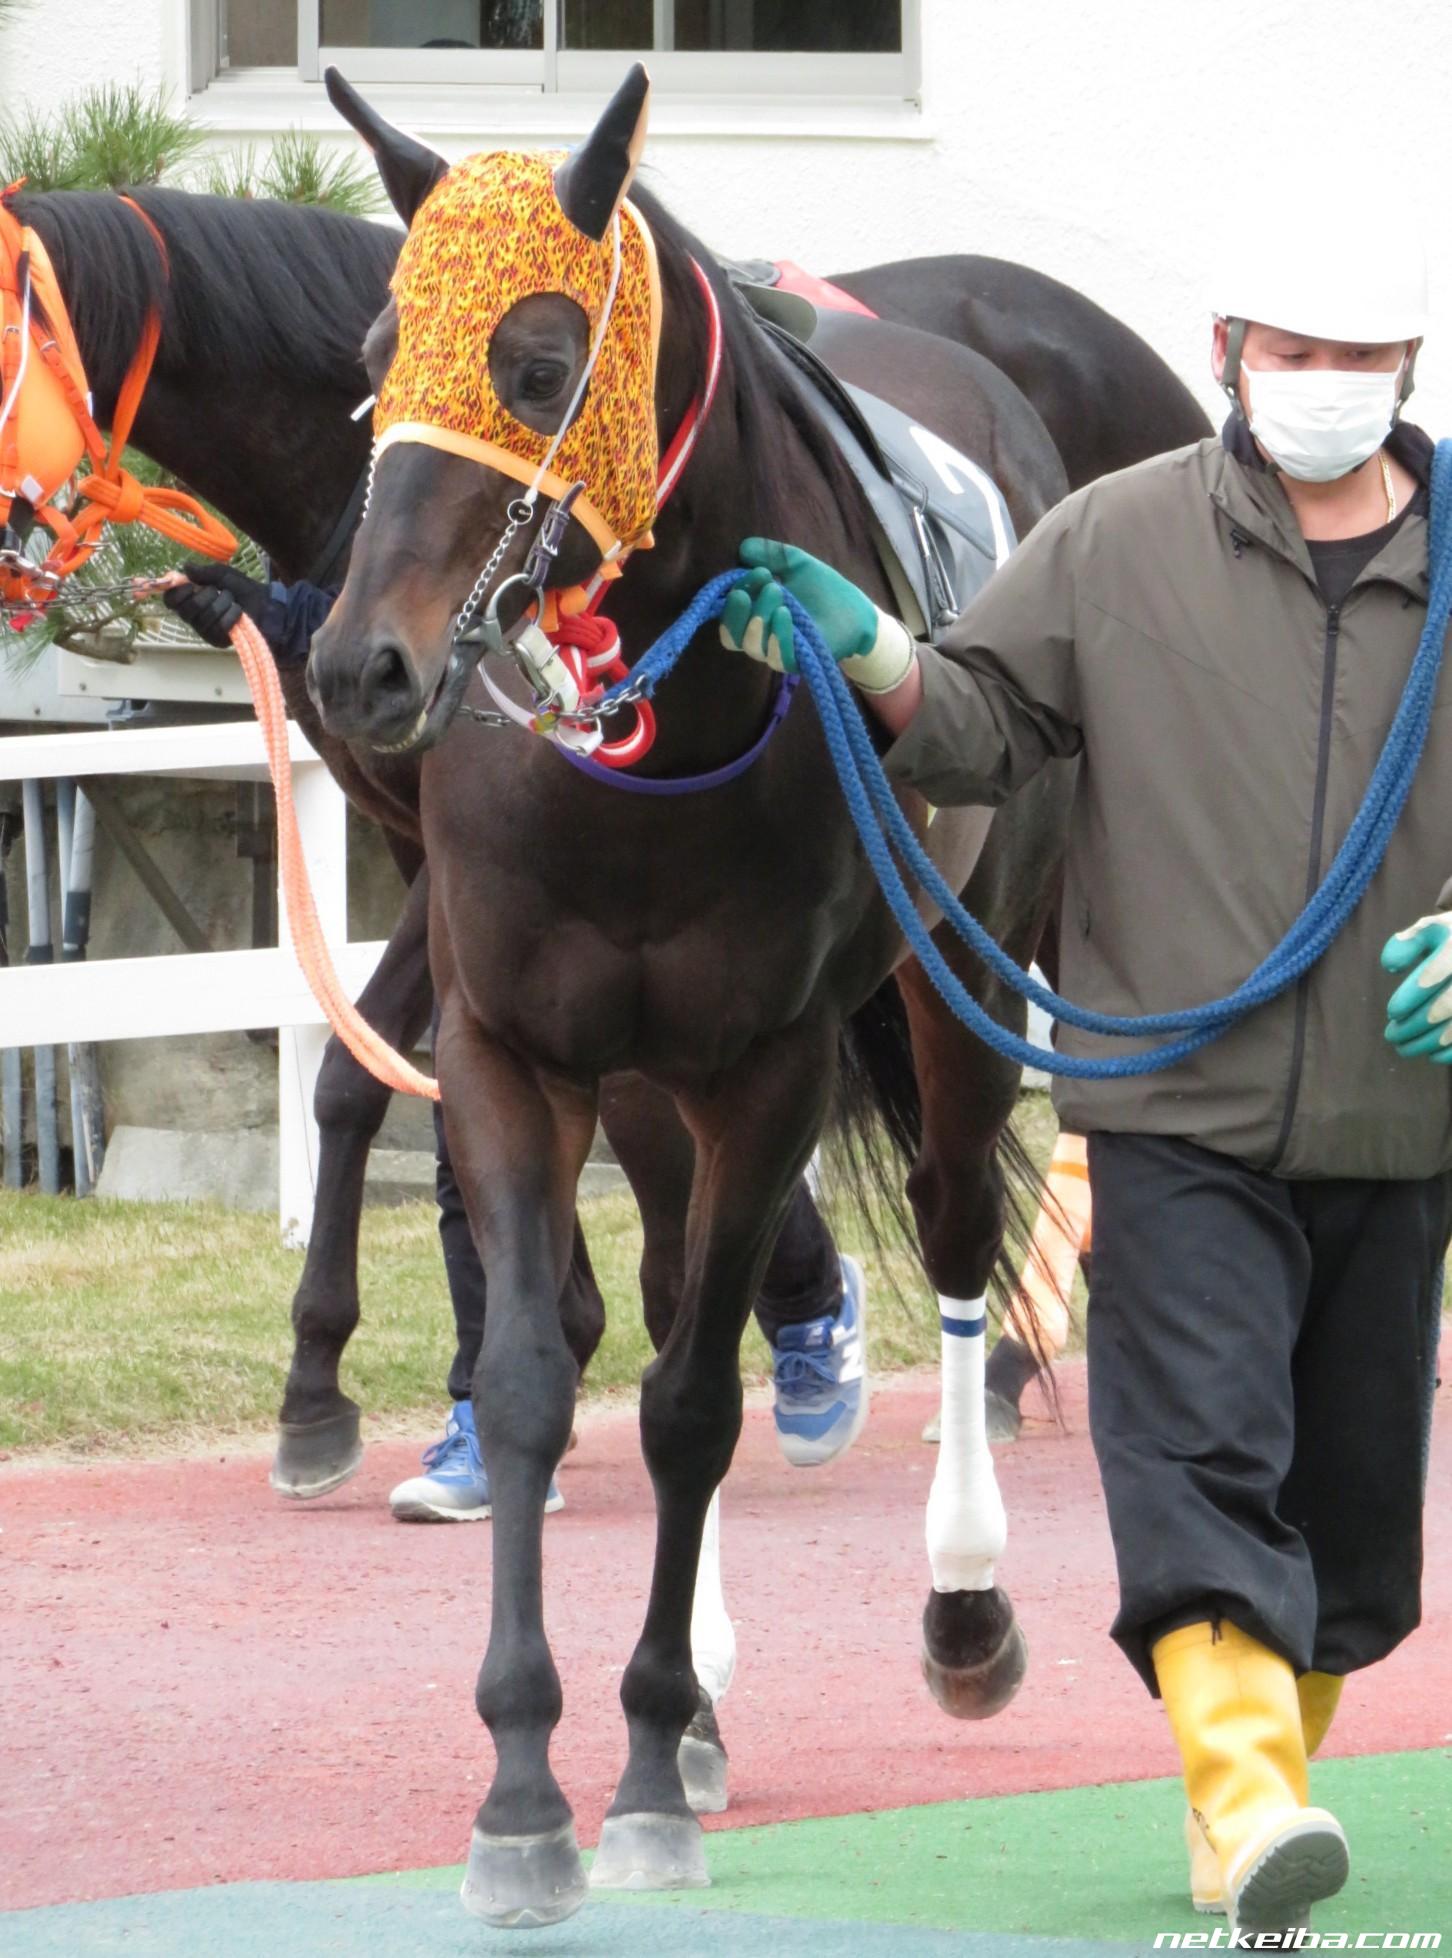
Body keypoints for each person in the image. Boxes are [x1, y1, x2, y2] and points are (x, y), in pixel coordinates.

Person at [716, 208, 1449, 1939]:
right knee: (1197, 1457)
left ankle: (1238, 1801)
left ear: (1409, 367)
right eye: (1293, 351)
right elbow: (987, 718)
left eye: (1356, 356)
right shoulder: (1118, 536)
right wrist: (874, 649)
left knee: (1349, 1519)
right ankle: (1252, 1794)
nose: (1323, 382)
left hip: (1400, 1118)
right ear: (1227, 351)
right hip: (1174, 1108)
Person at [164, 569, 868, 1519]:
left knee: (682, 1098)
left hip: (643, 804)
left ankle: (805, 1293)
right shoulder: (414, 523)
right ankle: (489, 1412)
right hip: (511, 814)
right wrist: (284, 623)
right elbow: (408, 626)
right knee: (480, 1100)